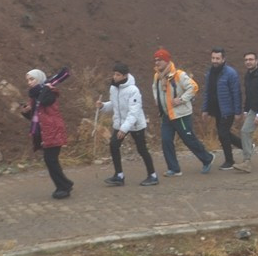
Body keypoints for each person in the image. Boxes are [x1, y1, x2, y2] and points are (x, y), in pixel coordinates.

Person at [152, 48, 214, 176]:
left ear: (167, 60)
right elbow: (155, 88)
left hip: (181, 115)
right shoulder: (157, 76)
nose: (157, 63)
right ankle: (174, 169)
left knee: (189, 139)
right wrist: (157, 100)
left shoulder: (179, 75)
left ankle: (207, 159)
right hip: (166, 115)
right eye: (156, 60)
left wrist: (181, 99)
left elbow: (193, 87)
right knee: (166, 141)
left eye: (160, 60)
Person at [98, 63, 158, 186]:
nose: (114, 77)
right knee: (113, 145)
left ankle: (153, 175)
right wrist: (103, 106)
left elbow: (134, 112)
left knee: (142, 149)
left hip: (135, 124)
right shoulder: (114, 88)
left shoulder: (133, 90)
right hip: (120, 123)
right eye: (114, 74)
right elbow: (114, 104)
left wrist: (124, 129)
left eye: (118, 75)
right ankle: (119, 175)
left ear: (125, 76)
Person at [21, 68, 75, 199]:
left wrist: (45, 87)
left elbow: (45, 101)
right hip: (47, 131)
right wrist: (27, 111)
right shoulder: (35, 95)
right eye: (28, 80)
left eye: (32, 79)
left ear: (39, 79)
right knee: (50, 160)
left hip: (53, 129)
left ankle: (64, 187)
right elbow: (36, 116)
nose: (29, 82)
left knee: (50, 160)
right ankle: (65, 184)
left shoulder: (49, 91)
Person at [202, 48, 243, 170]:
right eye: (213, 58)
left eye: (217, 58)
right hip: (216, 110)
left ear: (223, 59)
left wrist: (237, 111)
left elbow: (236, 93)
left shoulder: (231, 73)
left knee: (222, 134)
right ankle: (246, 147)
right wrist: (205, 109)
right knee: (224, 133)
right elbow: (207, 92)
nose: (215, 61)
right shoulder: (210, 73)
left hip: (227, 110)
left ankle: (229, 161)